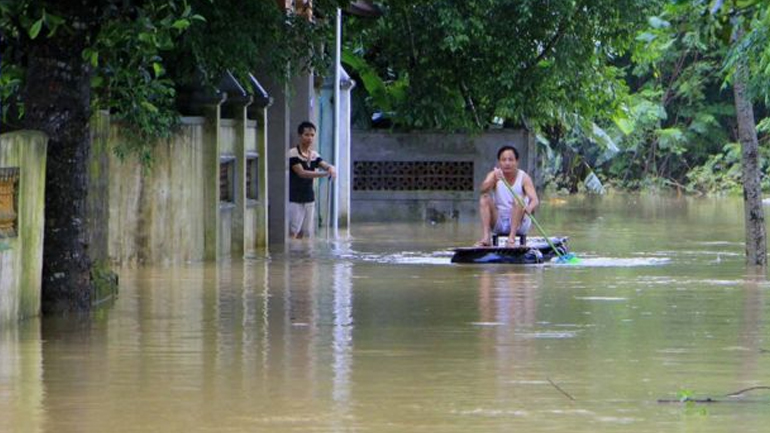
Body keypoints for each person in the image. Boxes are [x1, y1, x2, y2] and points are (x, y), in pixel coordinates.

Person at [476, 145, 539, 247]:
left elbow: (535, 200)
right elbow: (483, 190)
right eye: (504, 160)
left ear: (516, 162)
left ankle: (511, 239)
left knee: (518, 199)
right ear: (499, 162)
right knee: (484, 198)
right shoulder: (494, 174)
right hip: (499, 222)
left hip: (519, 224)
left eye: (511, 160)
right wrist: (494, 180)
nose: (507, 163)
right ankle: (486, 238)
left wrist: (530, 207)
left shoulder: (524, 177)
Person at [288, 121, 336, 239]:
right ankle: (292, 255)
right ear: (300, 136)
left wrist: (331, 168)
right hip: (294, 198)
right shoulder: (293, 153)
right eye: (307, 135)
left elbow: (325, 165)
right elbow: (302, 173)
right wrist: (324, 174)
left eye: (312, 135)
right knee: (293, 232)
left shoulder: (314, 155)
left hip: (309, 198)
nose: (310, 138)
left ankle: (305, 257)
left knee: (306, 233)